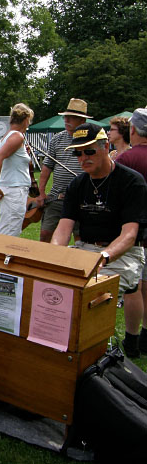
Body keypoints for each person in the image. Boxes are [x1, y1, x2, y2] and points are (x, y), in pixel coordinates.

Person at [51, 123, 146, 357]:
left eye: (89, 151)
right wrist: (52, 257)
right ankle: (59, 346)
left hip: (124, 252)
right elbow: (63, 229)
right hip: (84, 249)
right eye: (78, 152)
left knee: (93, 295)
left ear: (106, 146)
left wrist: (104, 257)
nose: (83, 158)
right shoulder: (77, 184)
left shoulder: (131, 182)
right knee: (51, 284)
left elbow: (130, 235)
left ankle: (103, 349)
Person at [115, 108, 147, 356]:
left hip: (135, 232)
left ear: (133, 129)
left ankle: (133, 341)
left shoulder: (126, 160)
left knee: (134, 287)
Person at [36, 98, 87, 242]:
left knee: (80, 237)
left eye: (71, 117)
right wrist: (41, 193)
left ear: (82, 120)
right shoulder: (57, 139)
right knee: (45, 234)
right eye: (65, 116)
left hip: (82, 198)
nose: (66, 120)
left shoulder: (88, 139)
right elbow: (47, 167)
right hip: (57, 197)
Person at [0, 103, 34, 236]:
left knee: (10, 228)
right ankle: (3, 256)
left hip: (10, 189)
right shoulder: (17, 136)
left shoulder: (8, 136)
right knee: (10, 233)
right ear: (26, 119)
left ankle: (4, 255)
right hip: (14, 191)